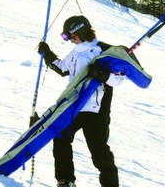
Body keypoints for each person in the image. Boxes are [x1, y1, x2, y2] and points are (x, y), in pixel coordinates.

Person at [38, 15, 125, 187]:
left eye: (71, 36)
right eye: (68, 37)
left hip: (96, 110)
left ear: (81, 32)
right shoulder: (76, 51)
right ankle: (66, 180)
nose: (70, 40)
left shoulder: (104, 50)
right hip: (75, 106)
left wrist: (101, 74)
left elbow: (119, 79)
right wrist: (46, 53)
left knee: (98, 150)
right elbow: (63, 68)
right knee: (61, 137)